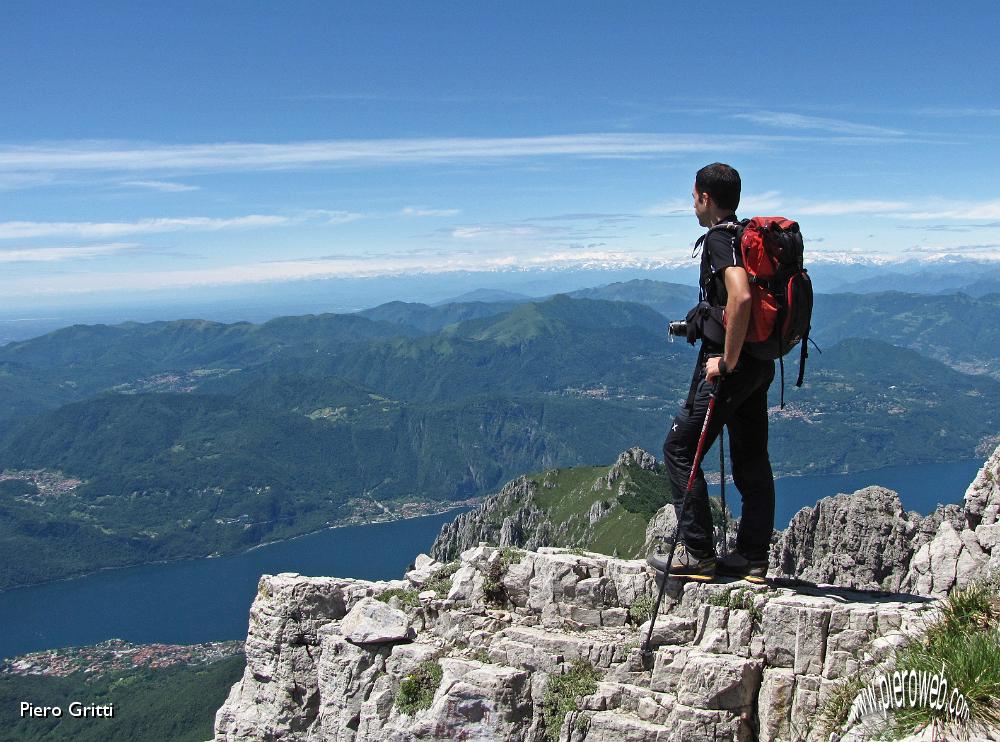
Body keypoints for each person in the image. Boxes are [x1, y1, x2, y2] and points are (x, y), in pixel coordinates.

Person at [651, 163, 776, 583]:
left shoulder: (721, 240)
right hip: (760, 365)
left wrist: (726, 360)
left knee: (679, 448)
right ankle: (753, 558)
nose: (691, 202)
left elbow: (739, 297)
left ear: (705, 197)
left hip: (730, 368)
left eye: (692, 196)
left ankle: (698, 553)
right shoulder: (746, 237)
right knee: (752, 459)